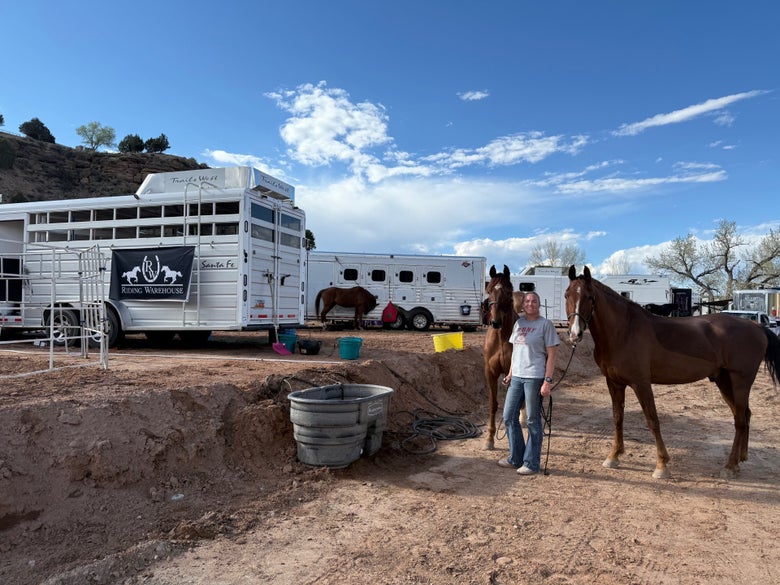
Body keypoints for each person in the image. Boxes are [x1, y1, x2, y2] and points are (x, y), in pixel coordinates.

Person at [497, 291, 560, 475]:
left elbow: (552, 355)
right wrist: (509, 374)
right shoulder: (519, 324)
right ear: (522, 305)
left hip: (535, 377)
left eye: (534, 301)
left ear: (539, 304)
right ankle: (516, 458)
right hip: (516, 377)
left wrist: (547, 381)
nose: (530, 304)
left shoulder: (545, 325)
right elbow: (516, 352)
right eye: (527, 301)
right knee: (509, 417)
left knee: (532, 420)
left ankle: (531, 463)